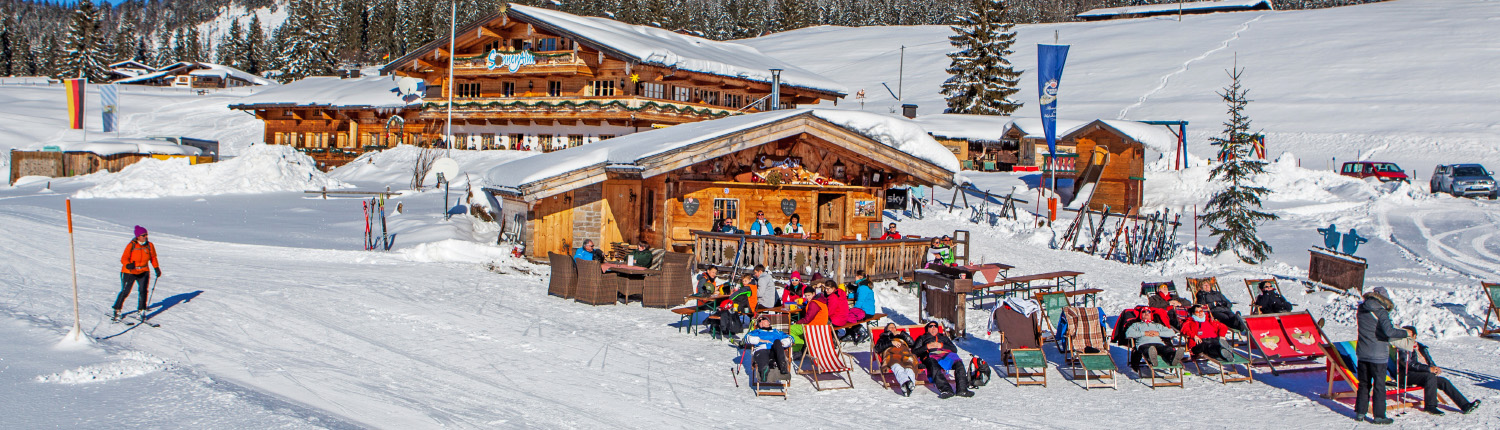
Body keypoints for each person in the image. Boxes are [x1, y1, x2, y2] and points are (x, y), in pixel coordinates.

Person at [1391, 326, 1482, 415]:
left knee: (1444, 381)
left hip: (1424, 374)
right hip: (1407, 375)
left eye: (1409, 335)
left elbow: (1429, 360)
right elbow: (1408, 364)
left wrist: (1434, 368)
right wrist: (1429, 369)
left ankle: (1465, 405)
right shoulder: (1403, 347)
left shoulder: (1421, 347)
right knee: (1430, 376)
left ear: (1414, 336)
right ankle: (1430, 406)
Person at [1355, 287, 1408, 425]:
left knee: (1364, 384)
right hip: (1378, 354)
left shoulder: (1361, 309)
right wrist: (1405, 333)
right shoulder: (1380, 311)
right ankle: (1379, 415)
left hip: (1362, 352)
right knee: (1379, 385)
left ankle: (1360, 412)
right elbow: (1389, 332)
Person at [912, 321, 972, 398]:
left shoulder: (944, 338)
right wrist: (927, 347)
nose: (933, 327)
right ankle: (946, 389)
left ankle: (962, 390)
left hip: (945, 354)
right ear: (927, 329)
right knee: (933, 365)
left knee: (958, 363)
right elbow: (914, 352)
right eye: (931, 326)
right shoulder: (922, 338)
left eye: (935, 326)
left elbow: (954, 349)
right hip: (930, 355)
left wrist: (941, 345)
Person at [114, 226, 161, 322]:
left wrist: (156, 268)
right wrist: (128, 265)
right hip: (130, 272)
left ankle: (141, 311)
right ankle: (117, 310)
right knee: (125, 291)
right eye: (143, 235)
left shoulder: (149, 245)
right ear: (138, 236)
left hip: (144, 271)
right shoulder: (131, 245)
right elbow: (124, 258)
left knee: (143, 291)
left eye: (146, 235)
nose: (145, 237)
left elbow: (153, 257)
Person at [874, 322, 920, 397]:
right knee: (896, 366)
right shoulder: (884, 337)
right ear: (886, 330)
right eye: (890, 327)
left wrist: (902, 334)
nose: (893, 329)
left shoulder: (901, 336)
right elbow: (877, 348)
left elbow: (912, 344)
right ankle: (907, 383)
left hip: (905, 354)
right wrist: (891, 343)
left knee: (910, 366)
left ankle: (908, 385)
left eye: (894, 327)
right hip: (891, 354)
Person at [743, 316, 793, 382]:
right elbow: (745, 338)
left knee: (777, 342)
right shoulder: (756, 332)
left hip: (775, 352)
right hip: (761, 349)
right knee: (762, 354)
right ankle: (764, 370)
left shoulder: (777, 332)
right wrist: (760, 340)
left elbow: (791, 338)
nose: (761, 321)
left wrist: (783, 342)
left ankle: (782, 365)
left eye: (764, 319)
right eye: (759, 321)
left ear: (769, 322)